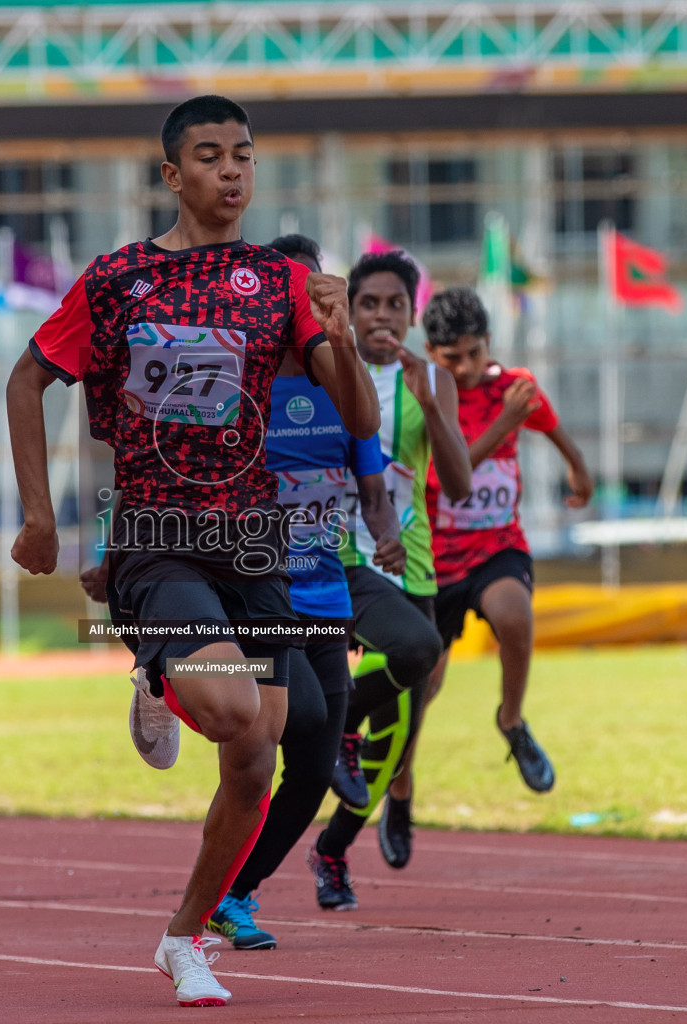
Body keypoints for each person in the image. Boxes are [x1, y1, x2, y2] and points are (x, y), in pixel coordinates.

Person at [8, 96, 378, 1007]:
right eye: (209, 156)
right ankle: (155, 667)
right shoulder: (119, 280)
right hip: (157, 537)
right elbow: (26, 381)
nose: (230, 172)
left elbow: (360, 420)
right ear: (173, 175)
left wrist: (336, 334)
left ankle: (184, 940)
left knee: (257, 752)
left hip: (255, 544)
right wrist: (40, 518)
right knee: (226, 704)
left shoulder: (280, 283)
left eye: (242, 156)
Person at [205, 233, 405, 951]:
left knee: (314, 767)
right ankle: (161, 676)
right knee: (283, 735)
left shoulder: (338, 388)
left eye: (320, 291)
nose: (310, 304)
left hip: (325, 597)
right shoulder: (237, 388)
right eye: (297, 290)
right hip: (257, 595)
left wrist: (385, 536)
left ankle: (234, 893)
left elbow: (373, 487)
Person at [387, 287, 592, 826]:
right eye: (452, 358)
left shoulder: (513, 387)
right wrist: (503, 425)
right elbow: (445, 478)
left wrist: (578, 468)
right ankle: (401, 782)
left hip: (496, 546)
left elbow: (550, 424)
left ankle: (511, 720)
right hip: (431, 562)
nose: (467, 366)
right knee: (425, 685)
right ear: (431, 353)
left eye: (475, 353)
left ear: (489, 344)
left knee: (514, 614)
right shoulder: (421, 395)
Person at [308, 251, 472, 910]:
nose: (381, 316)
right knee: (368, 713)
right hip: (333, 561)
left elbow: (458, 484)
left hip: (409, 569)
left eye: (394, 305)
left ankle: (332, 848)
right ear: (351, 308)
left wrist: (433, 408)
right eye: (368, 303)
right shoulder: (320, 364)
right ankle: (336, 727)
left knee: (396, 738)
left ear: (412, 313)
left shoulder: (430, 379)